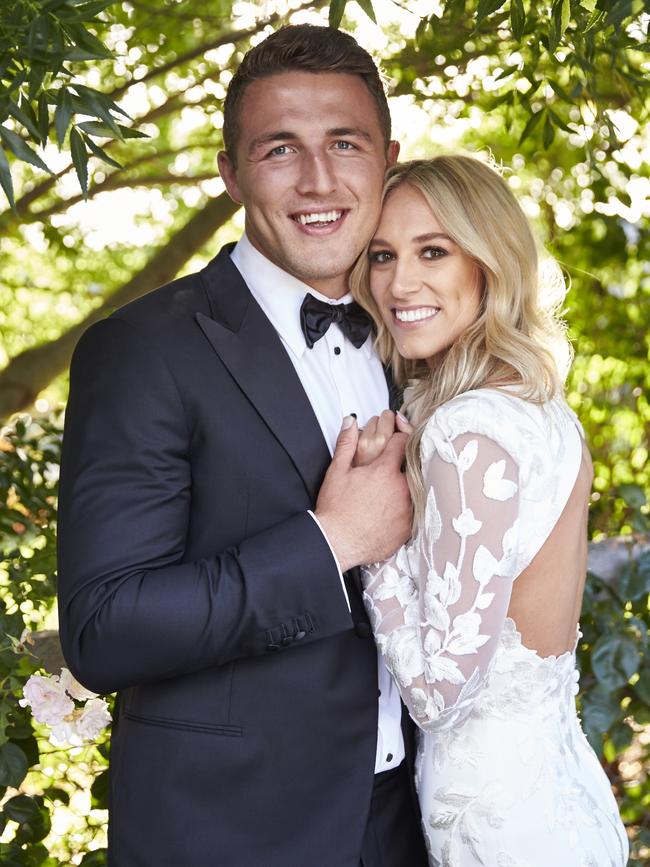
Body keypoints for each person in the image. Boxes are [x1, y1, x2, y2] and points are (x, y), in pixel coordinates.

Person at [57, 24, 428, 867]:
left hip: (412, 822)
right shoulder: (143, 349)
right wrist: (331, 542)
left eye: (345, 144)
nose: (319, 180)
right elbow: (104, 626)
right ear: (230, 173)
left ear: (388, 161)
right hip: (231, 832)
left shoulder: (424, 337)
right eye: (279, 150)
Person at [350, 155, 629, 866]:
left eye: (432, 251)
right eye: (382, 255)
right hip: (563, 799)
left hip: (501, 827)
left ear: (489, 262)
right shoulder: (539, 409)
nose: (398, 282)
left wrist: (373, 543)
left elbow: (442, 693)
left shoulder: (465, 431)